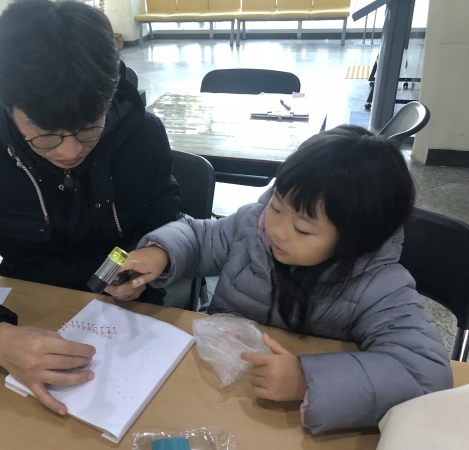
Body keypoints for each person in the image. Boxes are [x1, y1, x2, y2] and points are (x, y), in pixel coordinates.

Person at [0, 0, 180, 416]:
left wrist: (156, 257)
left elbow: (168, 225)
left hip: (134, 318)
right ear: (9, 104)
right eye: (46, 134)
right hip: (28, 311)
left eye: (88, 128)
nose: (70, 151)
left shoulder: (143, 135)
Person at [105, 125, 453, 434]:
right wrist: (161, 252)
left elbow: (425, 373)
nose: (277, 230)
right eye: (276, 206)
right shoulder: (252, 226)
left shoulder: (380, 285)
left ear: (355, 239)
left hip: (295, 419)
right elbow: (200, 237)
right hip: (217, 386)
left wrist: (306, 380)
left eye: (302, 228)